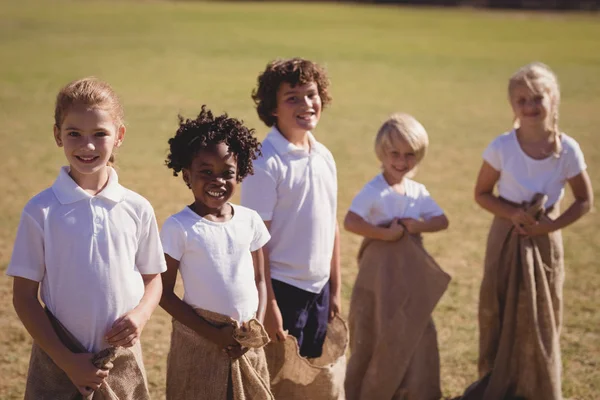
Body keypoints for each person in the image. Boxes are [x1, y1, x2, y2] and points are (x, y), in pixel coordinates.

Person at [7, 77, 166, 399]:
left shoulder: (137, 207)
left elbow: (154, 279)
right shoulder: (41, 210)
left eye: (100, 134)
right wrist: (67, 361)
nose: (87, 146)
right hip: (58, 359)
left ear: (119, 135)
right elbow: (24, 297)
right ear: (57, 135)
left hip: (121, 358)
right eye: (74, 134)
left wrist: (141, 315)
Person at [471, 62, 594, 400]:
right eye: (521, 100)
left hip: (544, 243)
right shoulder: (501, 147)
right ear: (513, 106)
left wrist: (548, 226)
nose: (529, 106)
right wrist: (512, 214)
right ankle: (498, 382)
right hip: (505, 239)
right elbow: (481, 193)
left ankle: (538, 387)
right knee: (497, 310)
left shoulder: (566, 150)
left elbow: (584, 200)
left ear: (553, 99)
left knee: (542, 315)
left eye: (537, 98)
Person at [159, 106, 273, 400]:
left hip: (246, 340)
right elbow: (164, 293)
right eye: (205, 172)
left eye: (227, 173)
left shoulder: (250, 220)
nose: (217, 181)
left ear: (241, 173)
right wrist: (212, 334)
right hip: (199, 341)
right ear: (187, 175)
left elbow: (260, 279)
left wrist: (253, 328)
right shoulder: (178, 227)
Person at [344, 113, 450, 400]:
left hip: (410, 272)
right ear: (382, 152)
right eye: (395, 154)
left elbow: (442, 220)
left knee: (413, 327)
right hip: (380, 273)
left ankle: (414, 389)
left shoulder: (418, 192)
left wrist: (418, 226)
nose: (402, 162)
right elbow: (351, 221)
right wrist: (386, 235)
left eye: (410, 155)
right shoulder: (374, 190)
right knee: (379, 325)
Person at [241, 57, 341, 359]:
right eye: (292, 98)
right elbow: (256, 242)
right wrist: (268, 303)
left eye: (312, 95)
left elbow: (331, 224)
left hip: (320, 288)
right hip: (282, 289)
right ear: (273, 108)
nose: (306, 104)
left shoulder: (324, 156)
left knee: (310, 375)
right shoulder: (265, 161)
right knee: (279, 378)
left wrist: (335, 288)